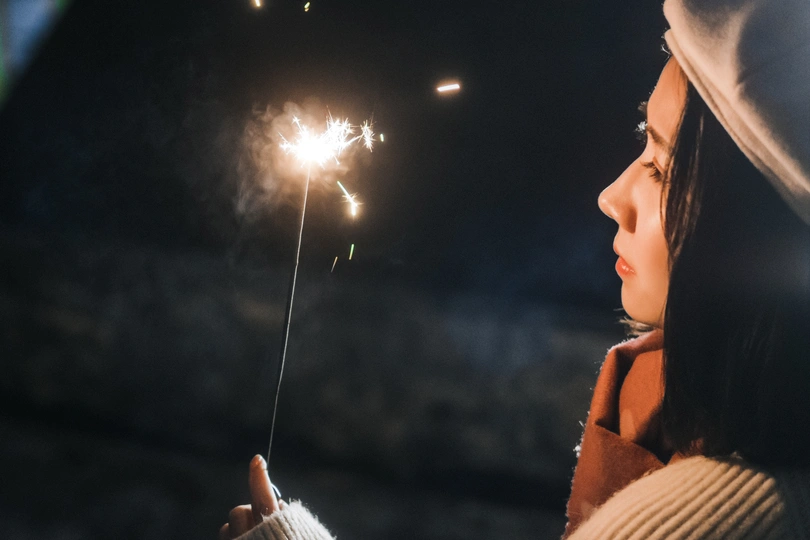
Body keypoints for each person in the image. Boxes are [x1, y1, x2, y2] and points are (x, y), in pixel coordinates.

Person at [221, 0, 810, 537]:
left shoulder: (703, 520)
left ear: (750, 232)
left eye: (660, 167)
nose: (612, 196)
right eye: (643, 143)